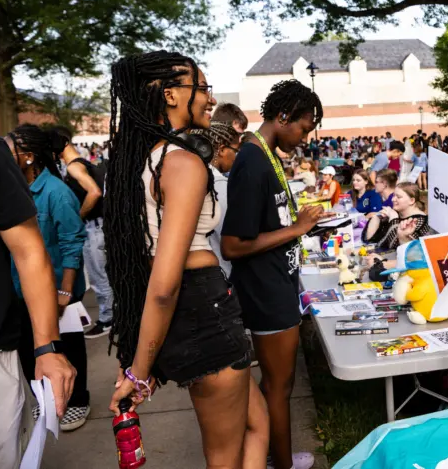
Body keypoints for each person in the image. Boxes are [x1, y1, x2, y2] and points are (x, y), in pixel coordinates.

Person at [104, 51, 268, 468]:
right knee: (223, 457)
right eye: (203, 87)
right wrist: (138, 372)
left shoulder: (145, 159)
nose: (210, 100)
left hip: (191, 314)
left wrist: (144, 360)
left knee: (257, 422)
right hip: (203, 314)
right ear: (171, 95)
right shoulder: (182, 163)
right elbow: (164, 286)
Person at [222, 79, 325, 469]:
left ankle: (276, 454)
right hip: (266, 293)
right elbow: (232, 244)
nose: (304, 138)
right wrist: (297, 229)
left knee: (279, 387)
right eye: (303, 128)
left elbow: (271, 221)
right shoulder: (251, 160)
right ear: (283, 116)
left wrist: (300, 226)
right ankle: (281, 462)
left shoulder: (266, 154)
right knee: (279, 389)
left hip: (278, 284)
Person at [0, 130, 76, 466]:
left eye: (17, 149)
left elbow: (55, 246)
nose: (11, 152)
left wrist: (64, 293)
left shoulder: (55, 191)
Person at [5, 125, 89, 432]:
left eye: (8, 149)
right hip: (23, 291)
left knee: (67, 347)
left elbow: (72, 241)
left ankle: (77, 400)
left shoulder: (56, 192)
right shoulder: (13, 192)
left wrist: (65, 292)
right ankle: (48, 400)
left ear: (27, 157)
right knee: (30, 348)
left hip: (58, 291)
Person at [48, 126, 115, 339]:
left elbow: (94, 192)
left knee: (99, 276)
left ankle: (108, 319)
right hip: (100, 226)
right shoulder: (86, 163)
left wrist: (77, 217)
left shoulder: (74, 168)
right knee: (105, 274)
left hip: (92, 227)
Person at [191, 122, 240, 276]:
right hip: (220, 273)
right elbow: (230, 240)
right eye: (236, 150)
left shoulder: (193, 177)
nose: (237, 156)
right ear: (222, 149)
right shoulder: (220, 186)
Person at [363, 182, 431, 252]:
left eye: (398, 197)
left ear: (411, 201)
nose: (393, 199)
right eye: (393, 196)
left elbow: (395, 247)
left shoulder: (420, 221)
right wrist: (377, 217)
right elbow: (369, 239)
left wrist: (393, 219)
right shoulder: (396, 214)